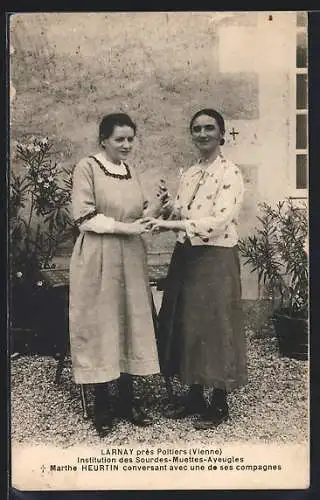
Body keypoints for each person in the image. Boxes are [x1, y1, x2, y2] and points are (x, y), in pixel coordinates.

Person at [144, 108, 248, 430]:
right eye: (197, 129)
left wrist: (168, 222)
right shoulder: (190, 173)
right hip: (186, 256)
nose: (202, 134)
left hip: (215, 258)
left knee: (214, 326)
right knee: (187, 324)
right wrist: (170, 203)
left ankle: (219, 402)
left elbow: (218, 221)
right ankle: (192, 394)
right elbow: (186, 210)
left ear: (221, 133)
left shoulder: (231, 173)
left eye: (209, 129)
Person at [69, 112, 160, 437]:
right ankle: (101, 404)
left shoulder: (131, 170)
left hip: (131, 258)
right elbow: (85, 217)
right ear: (103, 140)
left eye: (130, 139)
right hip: (99, 256)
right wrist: (128, 227)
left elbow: (142, 208)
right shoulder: (88, 167)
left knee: (129, 322)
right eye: (119, 139)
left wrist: (154, 213)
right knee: (101, 324)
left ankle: (127, 399)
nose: (126, 145)